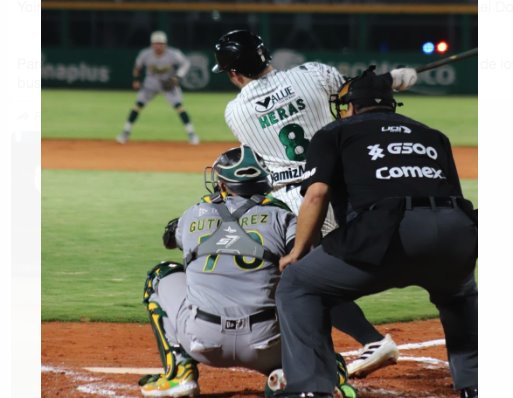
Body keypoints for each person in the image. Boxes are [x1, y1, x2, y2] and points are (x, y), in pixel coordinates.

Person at [211, 29, 418, 377]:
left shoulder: (236, 112)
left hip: (297, 202)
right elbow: (355, 95)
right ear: (266, 57)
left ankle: (353, 346)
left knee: (298, 280)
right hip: (347, 185)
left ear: (234, 73)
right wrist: (393, 80)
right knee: (329, 273)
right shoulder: (313, 73)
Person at [275, 66, 478, 398]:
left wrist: (299, 252)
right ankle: (477, 383)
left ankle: (311, 389)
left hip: (386, 233)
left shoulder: (335, 131)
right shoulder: (433, 134)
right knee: (460, 294)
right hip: (456, 230)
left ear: (352, 106)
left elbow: (316, 195)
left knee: (297, 285)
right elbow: (452, 197)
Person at [138, 145, 358, 397]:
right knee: (309, 285)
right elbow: (310, 263)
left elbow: (170, 238)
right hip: (267, 346)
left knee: (161, 274)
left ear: (223, 183)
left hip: (202, 341)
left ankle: (179, 374)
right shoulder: (283, 218)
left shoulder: (192, 215)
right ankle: (311, 373)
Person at [116, 30, 200, 145]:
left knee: (179, 107)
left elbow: (186, 63)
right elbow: (137, 67)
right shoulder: (145, 54)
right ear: (152, 44)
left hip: (168, 83)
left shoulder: (173, 53)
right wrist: (136, 80)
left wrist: (178, 77)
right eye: (156, 43)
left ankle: (191, 134)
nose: (158, 46)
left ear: (165, 44)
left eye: (161, 44)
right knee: (138, 105)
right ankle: (125, 132)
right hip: (151, 83)